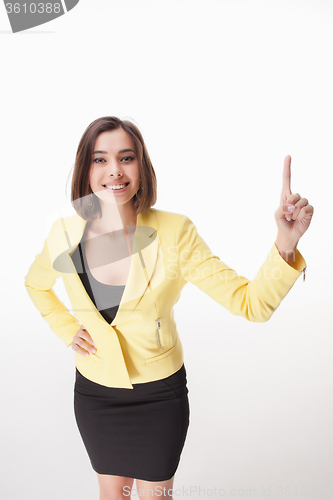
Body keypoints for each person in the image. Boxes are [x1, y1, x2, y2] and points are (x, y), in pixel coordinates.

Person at [24, 116, 313, 499]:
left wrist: (285, 244)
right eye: (100, 160)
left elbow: (251, 304)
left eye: (126, 158)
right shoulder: (64, 233)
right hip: (95, 395)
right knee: (112, 496)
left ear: (142, 167)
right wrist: (65, 328)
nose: (114, 170)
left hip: (158, 398)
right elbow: (35, 284)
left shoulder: (175, 233)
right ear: (86, 170)